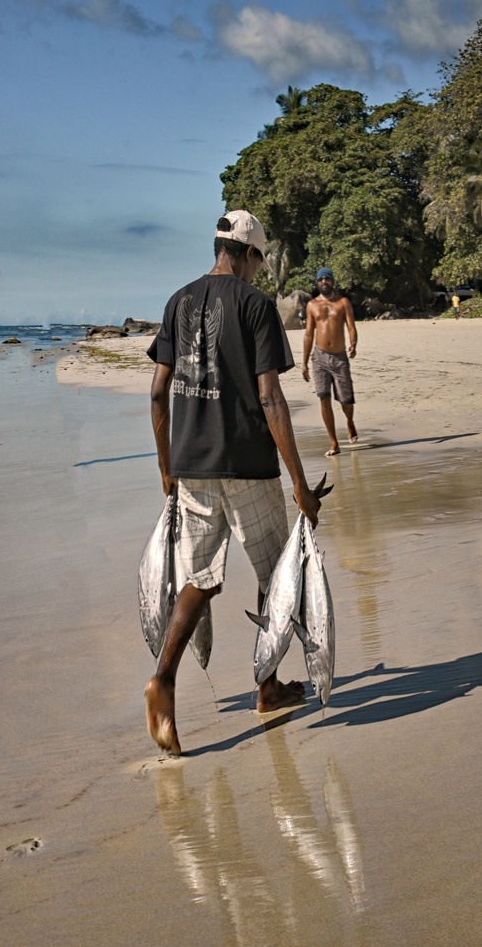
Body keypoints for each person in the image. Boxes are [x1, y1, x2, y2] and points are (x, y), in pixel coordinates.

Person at [145, 210, 322, 754]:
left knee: (200, 579)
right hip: (247, 463)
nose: (259, 269)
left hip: (192, 466)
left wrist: (166, 467)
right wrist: (299, 482)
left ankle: (163, 678)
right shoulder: (256, 306)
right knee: (278, 573)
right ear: (247, 253)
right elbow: (270, 397)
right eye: (260, 258)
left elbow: (157, 392)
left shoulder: (178, 300)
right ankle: (267, 686)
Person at [301, 267, 358, 455]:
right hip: (319, 358)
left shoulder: (343, 303)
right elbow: (309, 334)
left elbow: (351, 325)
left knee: (345, 400)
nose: (323, 282)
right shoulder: (312, 305)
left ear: (332, 281)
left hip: (340, 356)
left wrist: (353, 343)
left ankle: (349, 422)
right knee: (323, 399)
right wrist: (304, 363)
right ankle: (334, 442)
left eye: (327, 279)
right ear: (317, 283)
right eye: (320, 279)